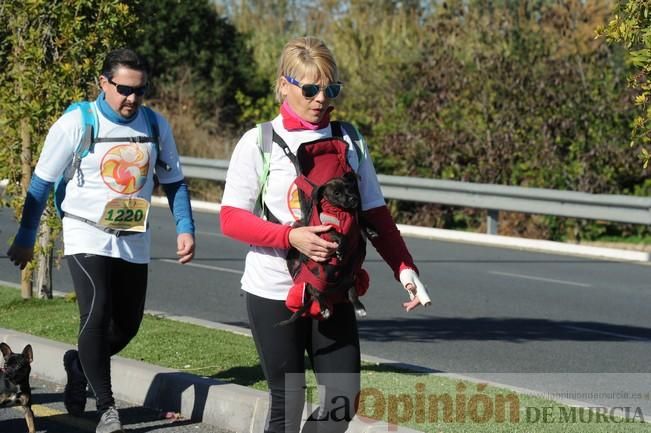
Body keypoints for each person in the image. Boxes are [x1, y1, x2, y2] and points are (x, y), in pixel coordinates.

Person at [220, 36, 429, 433]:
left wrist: (405, 268)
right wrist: (290, 238)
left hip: (334, 286)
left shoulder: (349, 139)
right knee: (288, 403)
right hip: (274, 290)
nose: (320, 99)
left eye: (330, 89)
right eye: (311, 88)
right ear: (284, 85)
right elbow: (231, 219)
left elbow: (375, 214)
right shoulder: (258, 141)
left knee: (341, 401)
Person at [7, 48, 195, 433]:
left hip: (132, 235)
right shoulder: (78, 122)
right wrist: (26, 237)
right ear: (103, 83)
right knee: (97, 312)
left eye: (140, 91)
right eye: (124, 89)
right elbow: (41, 184)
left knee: (127, 325)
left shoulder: (155, 125)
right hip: (85, 230)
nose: (132, 98)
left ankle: (78, 365)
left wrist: (185, 226)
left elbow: (174, 180)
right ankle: (107, 407)